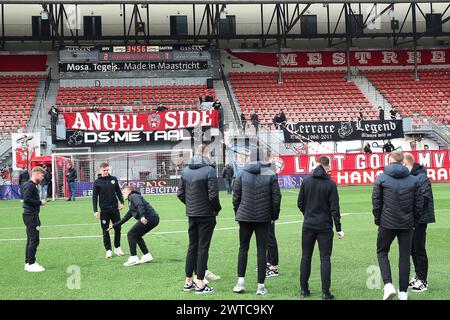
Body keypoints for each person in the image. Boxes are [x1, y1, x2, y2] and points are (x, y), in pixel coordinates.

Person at [372, 151, 423, 300]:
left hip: (386, 223)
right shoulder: (413, 180)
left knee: (382, 251)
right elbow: (419, 204)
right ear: (402, 162)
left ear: (389, 160)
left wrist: (378, 219)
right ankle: (403, 293)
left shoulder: (381, 178)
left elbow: (376, 202)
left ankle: (388, 285)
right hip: (406, 224)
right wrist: (414, 220)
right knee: (404, 257)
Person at [232, 147, 281, 295]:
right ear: (263, 158)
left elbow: (236, 197)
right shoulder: (270, 174)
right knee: (261, 251)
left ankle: (240, 282)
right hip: (263, 218)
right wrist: (273, 216)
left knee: (243, 248)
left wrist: (238, 213)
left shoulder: (241, 173)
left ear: (250, 157)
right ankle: (260, 286)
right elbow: (276, 198)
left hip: (245, 217)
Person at [297, 156, 344, 300]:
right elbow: (335, 209)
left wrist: (308, 214)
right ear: (328, 167)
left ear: (317, 165)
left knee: (306, 257)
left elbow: (300, 203)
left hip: (309, 225)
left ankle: (304, 289)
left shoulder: (306, 181)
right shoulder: (330, 184)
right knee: (325, 259)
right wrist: (338, 228)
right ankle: (325, 292)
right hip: (324, 226)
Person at [177, 144, 221, 294]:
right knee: (203, 248)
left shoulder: (185, 170)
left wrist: (190, 205)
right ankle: (200, 283)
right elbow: (213, 195)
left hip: (192, 214)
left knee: (192, 246)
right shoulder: (209, 170)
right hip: (206, 215)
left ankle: (188, 281)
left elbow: (180, 194)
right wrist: (216, 209)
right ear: (206, 154)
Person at [403, 153, 435, 293]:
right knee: (412, 249)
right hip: (413, 218)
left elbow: (424, 198)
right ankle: (418, 276)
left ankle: (423, 280)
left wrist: (413, 213)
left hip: (420, 219)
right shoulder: (412, 176)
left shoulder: (421, 177)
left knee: (419, 249)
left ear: (406, 164)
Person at [108, 186, 160, 267]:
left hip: (149, 218)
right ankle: (147, 255)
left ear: (129, 192)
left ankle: (133, 258)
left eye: (124, 192)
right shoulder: (131, 202)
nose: (123, 194)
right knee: (137, 236)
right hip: (152, 219)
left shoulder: (133, 196)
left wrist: (142, 216)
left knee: (131, 234)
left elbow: (140, 205)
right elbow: (126, 217)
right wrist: (114, 225)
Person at [92, 162, 126, 259]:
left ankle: (117, 247)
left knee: (118, 228)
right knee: (105, 230)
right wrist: (95, 210)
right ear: (100, 170)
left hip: (115, 209)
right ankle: (108, 250)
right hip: (104, 211)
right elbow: (94, 197)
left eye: (107, 170)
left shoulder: (113, 179)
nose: (106, 172)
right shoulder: (97, 182)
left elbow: (119, 192)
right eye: (104, 170)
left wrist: (122, 202)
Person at [22, 166, 47, 272]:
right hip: (31, 216)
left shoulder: (30, 185)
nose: (42, 178)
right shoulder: (30, 186)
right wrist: (40, 202)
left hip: (30, 215)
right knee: (34, 240)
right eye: (42, 176)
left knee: (30, 239)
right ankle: (31, 263)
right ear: (36, 174)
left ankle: (28, 262)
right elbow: (26, 199)